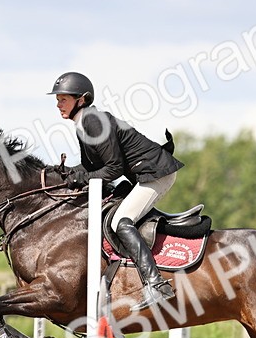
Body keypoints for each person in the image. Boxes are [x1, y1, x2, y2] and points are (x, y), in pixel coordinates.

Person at [48, 71, 183, 312]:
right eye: (57, 100)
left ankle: (156, 284)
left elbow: (113, 168)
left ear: (81, 99)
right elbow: (91, 167)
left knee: (121, 221)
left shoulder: (93, 121)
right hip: (145, 174)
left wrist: (83, 177)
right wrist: (64, 174)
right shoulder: (83, 123)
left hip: (156, 173)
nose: (58, 105)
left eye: (63, 99)